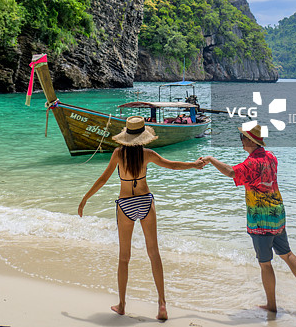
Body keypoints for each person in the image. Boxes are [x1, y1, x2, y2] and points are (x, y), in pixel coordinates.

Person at [78, 115, 205, 321]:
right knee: (154, 253)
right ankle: (162, 305)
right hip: (145, 202)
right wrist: (194, 164)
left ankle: (121, 305)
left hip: (126, 204)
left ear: (126, 136)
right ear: (143, 136)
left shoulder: (118, 154)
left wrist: (85, 199)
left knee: (124, 257)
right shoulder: (147, 154)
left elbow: (103, 179)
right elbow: (172, 165)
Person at [200, 124, 296, 316]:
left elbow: (231, 172)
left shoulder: (251, 164)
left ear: (249, 140)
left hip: (260, 219)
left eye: (241, 138)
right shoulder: (271, 157)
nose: (240, 141)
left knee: (265, 263)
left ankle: (271, 305)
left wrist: (211, 159)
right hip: (277, 213)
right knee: (287, 254)